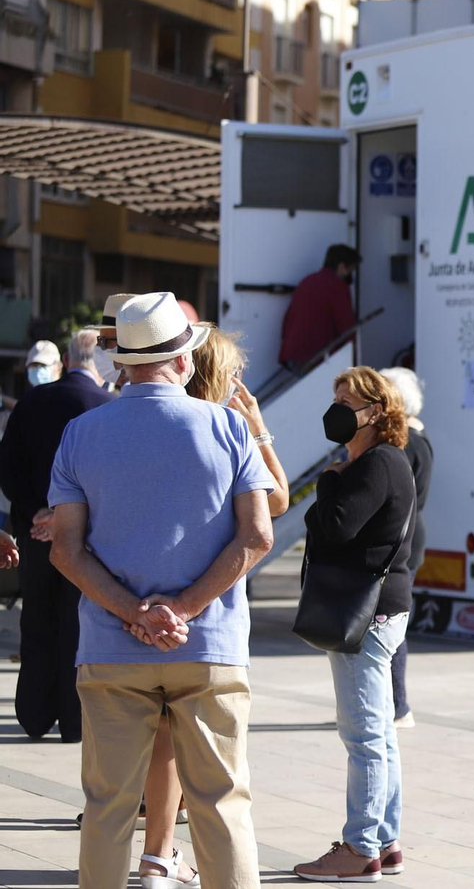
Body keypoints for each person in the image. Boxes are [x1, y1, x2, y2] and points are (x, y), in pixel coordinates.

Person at [48, 292, 276, 889]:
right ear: (183, 359)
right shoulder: (228, 426)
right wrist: (184, 609)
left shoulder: (81, 433)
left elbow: (64, 549)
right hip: (210, 646)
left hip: (110, 647)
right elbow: (257, 536)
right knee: (221, 807)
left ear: (122, 363)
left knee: (106, 809)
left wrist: (136, 612)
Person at [293, 367, 416, 882]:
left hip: (366, 615)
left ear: (376, 411)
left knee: (363, 735)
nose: (337, 407)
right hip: (382, 609)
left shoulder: (376, 464)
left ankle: (359, 847)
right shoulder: (382, 462)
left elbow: (335, 527)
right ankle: (385, 841)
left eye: (348, 399)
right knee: (380, 734)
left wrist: (326, 481)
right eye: (335, 396)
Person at [0, 330, 112, 742]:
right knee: (77, 626)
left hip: (33, 536)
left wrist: (38, 513)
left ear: (64, 360)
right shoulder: (107, 406)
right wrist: (67, 519)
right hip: (87, 542)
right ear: (100, 363)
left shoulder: (31, 402)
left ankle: (33, 713)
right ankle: (73, 719)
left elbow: (7, 468)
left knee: (37, 620)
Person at [380, 366, 431, 729]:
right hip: (410, 542)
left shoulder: (402, 443)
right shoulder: (419, 440)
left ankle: (397, 706)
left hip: (400, 545)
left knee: (390, 628)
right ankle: (393, 705)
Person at [280, 244, 361, 369]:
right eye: (351, 269)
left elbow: (288, 318)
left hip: (293, 353)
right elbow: (346, 325)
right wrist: (353, 354)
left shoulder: (307, 281)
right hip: (317, 356)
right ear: (341, 267)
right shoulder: (338, 286)